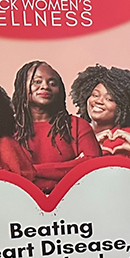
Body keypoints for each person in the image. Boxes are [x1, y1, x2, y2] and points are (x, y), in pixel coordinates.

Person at [12, 61, 101, 192]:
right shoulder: (8, 127)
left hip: (70, 201)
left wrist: (33, 170)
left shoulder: (77, 125)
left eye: (53, 83)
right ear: (21, 87)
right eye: (37, 81)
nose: (45, 86)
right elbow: (6, 173)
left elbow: (93, 165)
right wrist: (69, 168)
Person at [70, 64, 130, 164]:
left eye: (110, 99)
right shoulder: (72, 133)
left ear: (123, 107)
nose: (99, 101)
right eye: (95, 95)